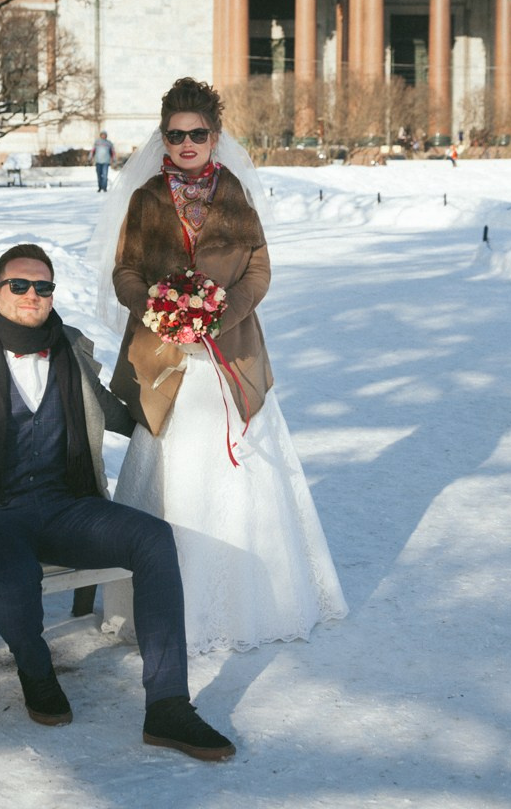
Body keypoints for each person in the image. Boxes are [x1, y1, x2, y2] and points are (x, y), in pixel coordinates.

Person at [0, 243, 236, 761]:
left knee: (153, 539)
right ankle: (36, 672)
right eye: (19, 285)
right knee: (18, 577)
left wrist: (194, 396)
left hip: (65, 507)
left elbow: (120, 415)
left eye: (43, 287)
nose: (31, 295)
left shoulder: (71, 350)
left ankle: (168, 706)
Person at [93, 78, 347, 656]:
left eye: (197, 134)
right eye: (175, 134)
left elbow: (258, 270)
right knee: (173, 477)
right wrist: (159, 309)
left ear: (215, 136)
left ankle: (249, 605)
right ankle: (166, 610)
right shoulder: (146, 199)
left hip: (231, 354)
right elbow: (125, 271)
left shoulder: (234, 194)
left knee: (241, 485)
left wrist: (221, 312)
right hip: (167, 361)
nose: (186, 143)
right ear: (164, 137)